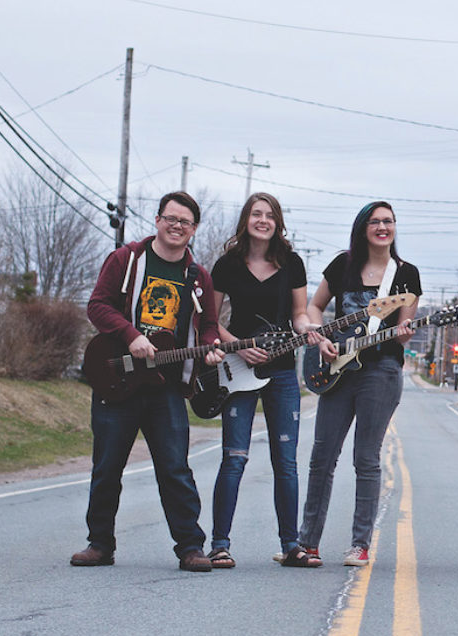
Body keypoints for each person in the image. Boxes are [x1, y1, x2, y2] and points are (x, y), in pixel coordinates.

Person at [71, 191, 224, 571]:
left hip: (166, 387)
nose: (176, 227)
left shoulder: (197, 276)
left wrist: (210, 348)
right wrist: (130, 335)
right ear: (157, 220)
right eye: (170, 219)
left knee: (175, 468)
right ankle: (99, 544)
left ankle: (190, 547)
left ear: (194, 230)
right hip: (117, 378)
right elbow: (98, 305)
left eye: (184, 222)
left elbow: (207, 327)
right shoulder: (126, 260)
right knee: (107, 466)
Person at [298, 201, 418, 568]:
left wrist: (403, 332)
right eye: (376, 221)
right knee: (322, 458)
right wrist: (320, 338)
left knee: (365, 459)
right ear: (363, 227)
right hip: (336, 369)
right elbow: (314, 308)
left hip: (380, 371)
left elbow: (402, 333)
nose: (383, 227)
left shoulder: (406, 274)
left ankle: (359, 545)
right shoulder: (342, 265)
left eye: (389, 221)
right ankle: (307, 543)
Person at [206, 193, 315, 570]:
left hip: (282, 372)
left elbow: (300, 315)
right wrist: (236, 346)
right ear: (246, 219)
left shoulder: (292, 264)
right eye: (256, 214)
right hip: (237, 371)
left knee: (285, 462)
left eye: (270, 215)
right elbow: (210, 320)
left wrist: (311, 330)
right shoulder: (227, 265)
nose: (263, 220)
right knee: (234, 458)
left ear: (278, 222)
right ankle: (219, 545)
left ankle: (292, 545)